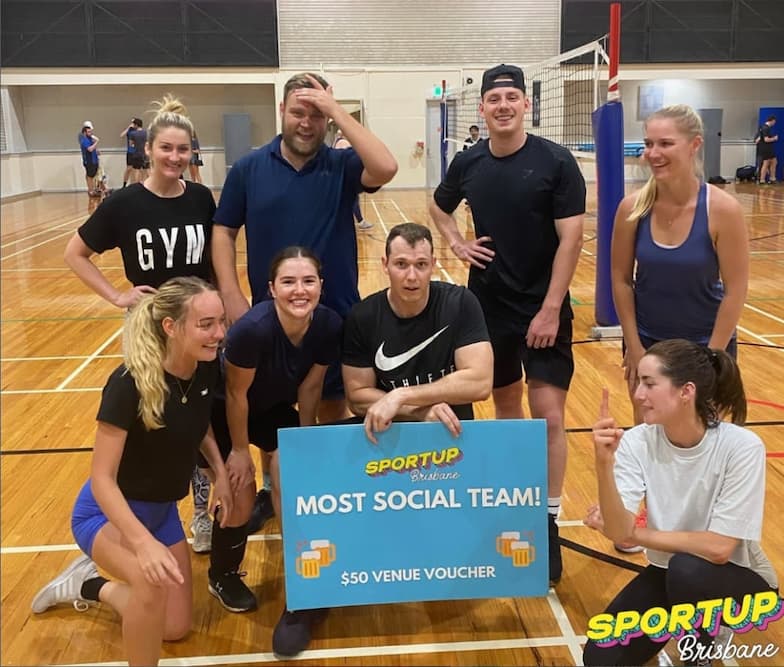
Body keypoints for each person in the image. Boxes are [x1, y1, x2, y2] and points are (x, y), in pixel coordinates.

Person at [212, 71, 396, 530]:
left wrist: (336, 110)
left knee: (330, 400)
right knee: (269, 410)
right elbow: (224, 231)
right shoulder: (248, 168)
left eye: (317, 114)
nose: (307, 122)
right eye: (299, 111)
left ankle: (323, 484)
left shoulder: (342, 165)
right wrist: (231, 294)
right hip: (271, 317)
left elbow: (386, 167)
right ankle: (273, 487)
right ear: (282, 111)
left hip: (335, 313)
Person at [429, 63, 586, 585]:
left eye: (511, 98)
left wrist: (551, 307)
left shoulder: (556, 162)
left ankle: (548, 521)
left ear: (526, 105)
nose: (502, 106)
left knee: (550, 418)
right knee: (505, 407)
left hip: (543, 306)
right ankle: (514, 500)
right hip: (489, 305)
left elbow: (571, 239)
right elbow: (439, 206)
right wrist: (457, 243)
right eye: (494, 99)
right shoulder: (469, 161)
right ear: (482, 108)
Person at [30, 277, 232, 667]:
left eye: (221, 322)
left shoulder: (205, 368)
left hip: (162, 512)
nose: (219, 334)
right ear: (171, 327)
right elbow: (102, 479)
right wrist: (142, 543)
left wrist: (219, 473)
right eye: (206, 324)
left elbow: (198, 423)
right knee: (150, 587)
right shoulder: (128, 384)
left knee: (174, 627)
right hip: (106, 514)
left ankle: (87, 584)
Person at [64, 95, 218, 555]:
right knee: (154, 427)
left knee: (195, 422)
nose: (175, 157)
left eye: (183, 149)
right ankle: (119, 524)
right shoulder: (124, 204)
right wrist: (117, 296)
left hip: (198, 331)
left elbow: (215, 261)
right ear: (147, 149)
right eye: (166, 148)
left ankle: (201, 513)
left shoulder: (200, 199)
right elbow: (76, 253)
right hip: (150, 332)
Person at [582, 339, 778, 666]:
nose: (637, 394)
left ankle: (700, 648)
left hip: (742, 584)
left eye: (649, 384)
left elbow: (719, 548)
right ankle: (688, 617)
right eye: (638, 383)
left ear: (686, 391)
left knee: (688, 570)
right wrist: (604, 464)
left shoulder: (742, 447)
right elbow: (617, 530)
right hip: (670, 571)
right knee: (600, 658)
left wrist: (636, 534)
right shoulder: (635, 442)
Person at [203, 247, 342, 637]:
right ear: (271, 288)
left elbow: (311, 387)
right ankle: (222, 575)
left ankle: (302, 565)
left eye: (308, 281)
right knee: (240, 495)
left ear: (321, 285)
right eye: (288, 282)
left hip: (271, 408)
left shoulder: (328, 325)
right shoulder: (252, 330)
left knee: (291, 472)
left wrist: (305, 440)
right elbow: (236, 395)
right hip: (226, 414)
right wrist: (238, 451)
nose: (300, 290)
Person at [611, 104, 749, 422]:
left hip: (706, 343)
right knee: (650, 435)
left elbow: (735, 290)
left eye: (665, 143)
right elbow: (621, 280)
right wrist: (634, 347)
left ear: (694, 145)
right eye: (648, 143)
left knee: (705, 437)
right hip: (649, 342)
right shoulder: (632, 209)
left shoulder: (722, 209)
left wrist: (711, 358)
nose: (653, 153)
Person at [333, 129, 372, 230]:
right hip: (344, 176)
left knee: (351, 200)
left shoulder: (339, 142)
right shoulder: (343, 143)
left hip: (342, 176)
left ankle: (359, 221)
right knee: (353, 200)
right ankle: (360, 221)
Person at [79, 121, 101, 197]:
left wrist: (97, 151)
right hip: (89, 161)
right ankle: (91, 191)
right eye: (88, 132)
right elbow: (90, 149)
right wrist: (96, 142)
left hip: (94, 160)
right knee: (90, 176)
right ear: (85, 133)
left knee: (95, 175)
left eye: (91, 131)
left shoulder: (90, 139)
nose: (90, 133)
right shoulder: (84, 140)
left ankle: (95, 189)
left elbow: (93, 148)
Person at [756, 115, 778, 185]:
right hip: (766, 149)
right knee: (766, 163)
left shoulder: (762, 127)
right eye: (774, 122)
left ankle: (771, 179)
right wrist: (774, 138)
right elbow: (766, 139)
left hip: (766, 148)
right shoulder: (766, 128)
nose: (774, 123)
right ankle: (763, 180)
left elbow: (759, 139)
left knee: (773, 162)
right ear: (772, 121)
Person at [121, 118, 143, 187]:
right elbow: (122, 135)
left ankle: (138, 184)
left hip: (138, 152)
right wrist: (128, 127)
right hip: (130, 152)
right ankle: (124, 184)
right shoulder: (130, 131)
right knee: (129, 168)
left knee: (138, 169)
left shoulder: (139, 131)